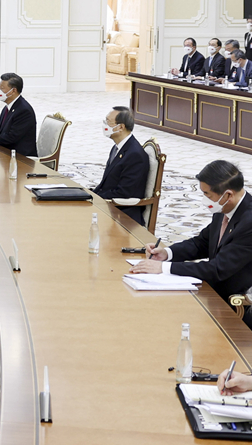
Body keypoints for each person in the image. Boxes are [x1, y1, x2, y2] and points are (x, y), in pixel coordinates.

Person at [132, 160, 252, 319]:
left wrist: (163, 268)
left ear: (228, 195)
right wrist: (167, 253)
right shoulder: (224, 207)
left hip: (236, 303)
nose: (205, 199)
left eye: (207, 194)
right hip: (212, 290)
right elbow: (201, 243)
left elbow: (217, 269)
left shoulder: (249, 222)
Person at [91, 106, 149, 225]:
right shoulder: (117, 147)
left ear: (121, 127)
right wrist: (90, 194)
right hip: (108, 205)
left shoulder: (135, 154)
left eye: (108, 122)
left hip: (122, 213)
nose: (105, 125)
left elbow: (124, 193)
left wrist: (95, 198)